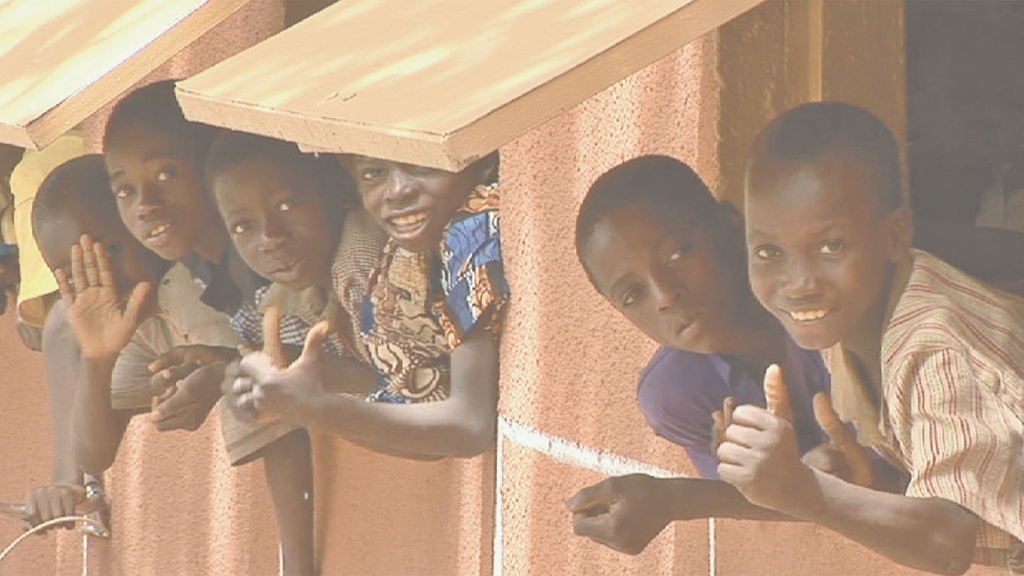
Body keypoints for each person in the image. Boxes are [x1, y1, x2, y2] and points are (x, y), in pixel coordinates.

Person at [732, 101, 1023, 574]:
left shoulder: (935, 346)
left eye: (831, 246)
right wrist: (868, 483)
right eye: (769, 252)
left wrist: (805, 492)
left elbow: (949, 535)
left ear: (895, 235)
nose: (799, 281)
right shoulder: (848, 318)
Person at [567, 155, 886, 555]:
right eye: (634, 294)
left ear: (732, 226)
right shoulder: (680, 393)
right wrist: (796, 482)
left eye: (677, 253)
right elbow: (794, 499)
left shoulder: (823, 303)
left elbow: (911, 484)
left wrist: (678, 499)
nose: (666, 295)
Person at [99, 81, 317, 575]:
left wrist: (227, 374)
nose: (146, 204)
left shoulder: (269, 251)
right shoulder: (200, 261)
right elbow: (93, 447)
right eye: (125, 190)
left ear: (208, 168)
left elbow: (309, 354)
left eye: (166, 174)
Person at [231, 152, 507, 460]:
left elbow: (469, 427)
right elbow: (422, 426)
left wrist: (317, 409)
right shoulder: (405, 255)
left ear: (482, 161)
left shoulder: (472, 227)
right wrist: (302, 397)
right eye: (373, 174)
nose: (398, 190)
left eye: (422, 164)